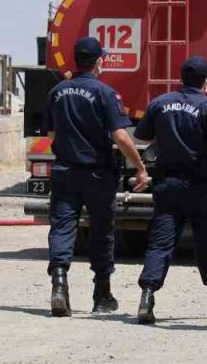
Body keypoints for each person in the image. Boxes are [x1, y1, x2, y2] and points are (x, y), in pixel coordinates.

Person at [131, 56, 207, 324]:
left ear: (181, 78)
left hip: (167, 185)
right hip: (198, 187)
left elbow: (140, 136)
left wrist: (166, 134)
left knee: (160, 243)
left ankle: (147, 296)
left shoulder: (159, 103)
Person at [44, 37, 149, 317]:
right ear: (99, 61)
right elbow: (120, 135)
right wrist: (139, 166)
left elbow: (52, 134)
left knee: (62, 228)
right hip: (97, 173)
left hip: (65, 170)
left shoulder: (56, 92)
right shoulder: (105, 93)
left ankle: (59, 286)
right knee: (102, 232)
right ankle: (102, 295)